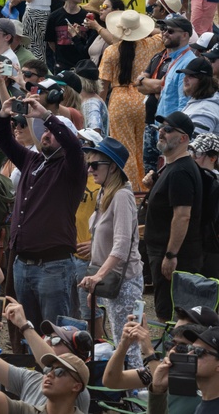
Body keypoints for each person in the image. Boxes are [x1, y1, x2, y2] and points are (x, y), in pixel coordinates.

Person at [0, 93, 86, 328]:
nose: (46, 134)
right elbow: (3, 139)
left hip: (53, 266)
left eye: (53, 133)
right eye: (45, 130)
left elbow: (74, 145)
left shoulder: (72, 168)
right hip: (22, 264)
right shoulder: (32, 160)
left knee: (55, 333)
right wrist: (4, 115)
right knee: (29, 332)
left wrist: (46, 115)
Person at [76, 137, 143, 365]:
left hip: (124, 281)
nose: (90, 169)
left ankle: (135, 395)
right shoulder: (106, 192)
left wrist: (98, 277)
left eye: (95, 165)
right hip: (111, 279)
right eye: (89, 164)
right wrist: (96, 283)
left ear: (113, 166)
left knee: (128, 348)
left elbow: (122, 245)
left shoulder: (122, 195)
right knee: (119, 342)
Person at [144, 111, 203, 321]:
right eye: (161, 128)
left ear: (183, 138)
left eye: (168, 130)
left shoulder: (181, 171)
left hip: (173, 256)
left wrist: (170, 255)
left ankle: (168, 353)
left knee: (171, 318)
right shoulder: (173, 167)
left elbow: (182, 215)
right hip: (164, 253)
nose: (161, 133)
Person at [100, 10, 163, 191]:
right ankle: (144, 189)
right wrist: (146, 30)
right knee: (142, 148)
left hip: (120, 100)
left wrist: (101, 107)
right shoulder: (151, 45)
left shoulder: (111, 51)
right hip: (143, 98)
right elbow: (160, 33)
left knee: (123, 147)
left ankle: (128, 189)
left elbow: (103, 86)